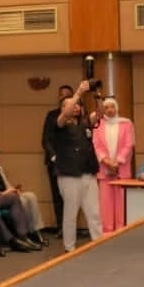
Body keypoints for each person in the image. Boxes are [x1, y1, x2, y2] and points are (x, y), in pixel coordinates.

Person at [48, 80, 103, 252]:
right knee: (70, 213)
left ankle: (98, 243)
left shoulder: (85, 123)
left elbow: (100, 113)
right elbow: (65, 114)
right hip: (69, 174)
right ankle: (69, 248)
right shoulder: (59, 123)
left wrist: (97, 94)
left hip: (88, 173)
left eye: (78, 104)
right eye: (71, 104)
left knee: (94, 213)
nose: (76, 106)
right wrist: (78, 93)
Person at [0, 144, 46, 247]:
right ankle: (24, 234)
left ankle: (36, 231)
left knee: (31, 196)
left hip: (7, 195)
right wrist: (4, 193)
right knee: (21, 201)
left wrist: (14, 190)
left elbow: (6, 183)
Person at [93, 96, 136, 233]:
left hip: (121, 168)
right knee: (105, 202)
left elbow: (129, 144)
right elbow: (96, 145)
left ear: (116, 108)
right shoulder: (98, 124)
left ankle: (121, 230)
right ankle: (107, 231)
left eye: (112, 106)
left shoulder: (126, 123)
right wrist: (106, 161)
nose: (109, 110)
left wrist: (117, 162)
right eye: (106, 107)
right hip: (104, 168)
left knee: (121, 201)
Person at [39, 83, 75, 233]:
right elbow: (46, 139)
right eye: (62, 94)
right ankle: (61, 227)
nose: (64, 97)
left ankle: (71, 227)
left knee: (72, 196)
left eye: (68, 95)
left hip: (73, 161)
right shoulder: (52, 115)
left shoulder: (77, 114)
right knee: (57, 195)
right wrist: (53, 156)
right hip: (55, 162)